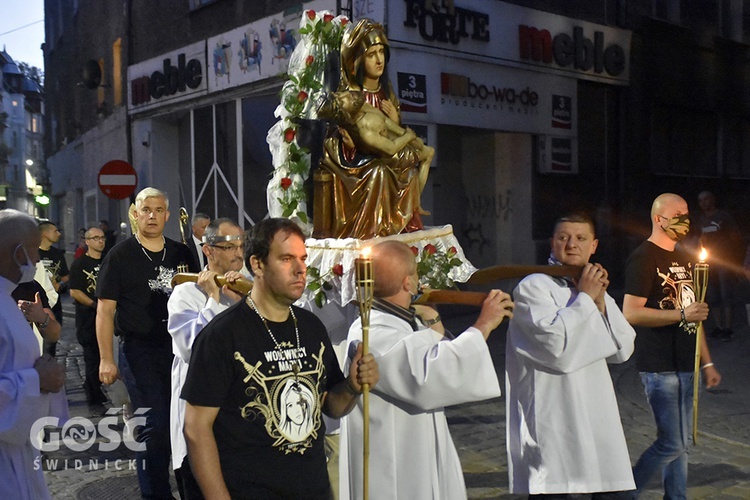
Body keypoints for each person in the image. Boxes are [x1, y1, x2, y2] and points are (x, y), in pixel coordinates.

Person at [182, 218, 379, 499]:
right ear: (257, 265)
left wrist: (353, 386)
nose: (301, 269)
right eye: (286, 259)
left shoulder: (311, 327)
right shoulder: (222, 336)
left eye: (302, 258)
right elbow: (196, 428)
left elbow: (331, 406)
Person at [339, 240, 515, 500]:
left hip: (414, 448)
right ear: (408, 283)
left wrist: (431, 316)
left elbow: (436, 347)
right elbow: (432, 374)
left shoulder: (397, 320)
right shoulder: (374, 331)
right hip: (394, 463)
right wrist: (484, 325)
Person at [505, 213, 636, 498]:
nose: (571, 244)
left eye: (580, 238)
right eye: (563, 237)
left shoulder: (591, 286)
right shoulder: (533, 287)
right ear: (552, 243)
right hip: (554, 415)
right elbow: (553, 347)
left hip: (597, 413)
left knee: (612, 488)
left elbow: (623, 348)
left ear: (594, 246)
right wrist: (586, 300)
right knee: (556, 489)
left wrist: (600, 302)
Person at [96, 187, 196, 499]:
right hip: (139, 349)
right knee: (154, 426)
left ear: (167, 215)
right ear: (136, 214)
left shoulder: (182, 253)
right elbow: (105, 310)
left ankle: (189, 488)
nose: (152, 215)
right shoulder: (120, 256)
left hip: (180, 349)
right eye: (146, 209)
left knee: (185, 423)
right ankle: (156, 493)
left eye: (158, 209)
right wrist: (106, 359)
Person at [623, 193, 722, 499]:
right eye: (678, 213)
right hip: (659, 365)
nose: (685, 219)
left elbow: (695, 315)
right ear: (659, 218)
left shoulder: (685, 258)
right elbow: (631, 312)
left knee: (682, 445)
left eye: (687, 213)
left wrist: (706, 362)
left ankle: (676, 497)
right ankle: (622, 493)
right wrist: (680, 314)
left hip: (686, 364)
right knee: (672, 442)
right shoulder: (644, 257)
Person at [317, 19, 426, 239]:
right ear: (357, 60)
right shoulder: (350, 96)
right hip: (357, 164)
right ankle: (374, 231)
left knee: (412, 167)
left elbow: (396, 132)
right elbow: (333, 140)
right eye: (371, 54)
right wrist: (348, 146)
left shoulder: (387, 93)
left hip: (388, 151)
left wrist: (395, 120)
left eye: (381, 53)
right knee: (380, 172)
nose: (379, 60)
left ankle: (405, 222)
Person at [167, 218, 246, 500]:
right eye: (228, 247)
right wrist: (213, 300)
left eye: (241, 245)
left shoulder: (250, 289)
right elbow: (192, 348)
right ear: (208, 250)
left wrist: (242, 305)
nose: (238, 253)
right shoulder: (185, 293)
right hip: (200, 411)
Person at [0, 209, 67, 500]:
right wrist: (36, 380)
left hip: (18, 450)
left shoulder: (6, 297)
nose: (37, 258)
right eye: (33, 248)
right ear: (17, 253)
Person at [69, 226, 108, 415]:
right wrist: (95, 305)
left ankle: (95, 389)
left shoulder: (109, 261)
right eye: (96, 238)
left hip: (107, 317)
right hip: (88, 318)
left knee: (105, 357)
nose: (100, 241)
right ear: (87, 241)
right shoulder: (79, 264)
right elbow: (75, 291)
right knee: (92, 359)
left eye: (102, 237)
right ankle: (93, 401)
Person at [695, 190, 744, 341]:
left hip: (724, 261)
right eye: (701, 201)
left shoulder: (723, 217)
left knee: (726, 295)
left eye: (706, 199)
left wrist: (735, 260)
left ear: (713, 199)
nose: (704, 203)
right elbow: (701, 239)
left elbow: (736, 237)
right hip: (709, 264)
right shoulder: (702, 220)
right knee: (712, 296)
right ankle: (719, 327)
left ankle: (728, 328)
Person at [38, 220, 69, 356]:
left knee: (52, 342)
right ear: (44, 233)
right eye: (55, 231)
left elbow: (66, 275)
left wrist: (60, 284)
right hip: (38, 302)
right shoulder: (33, 252)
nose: (59, 234)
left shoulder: (57, 253)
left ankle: (49, 365)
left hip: (55, 302)